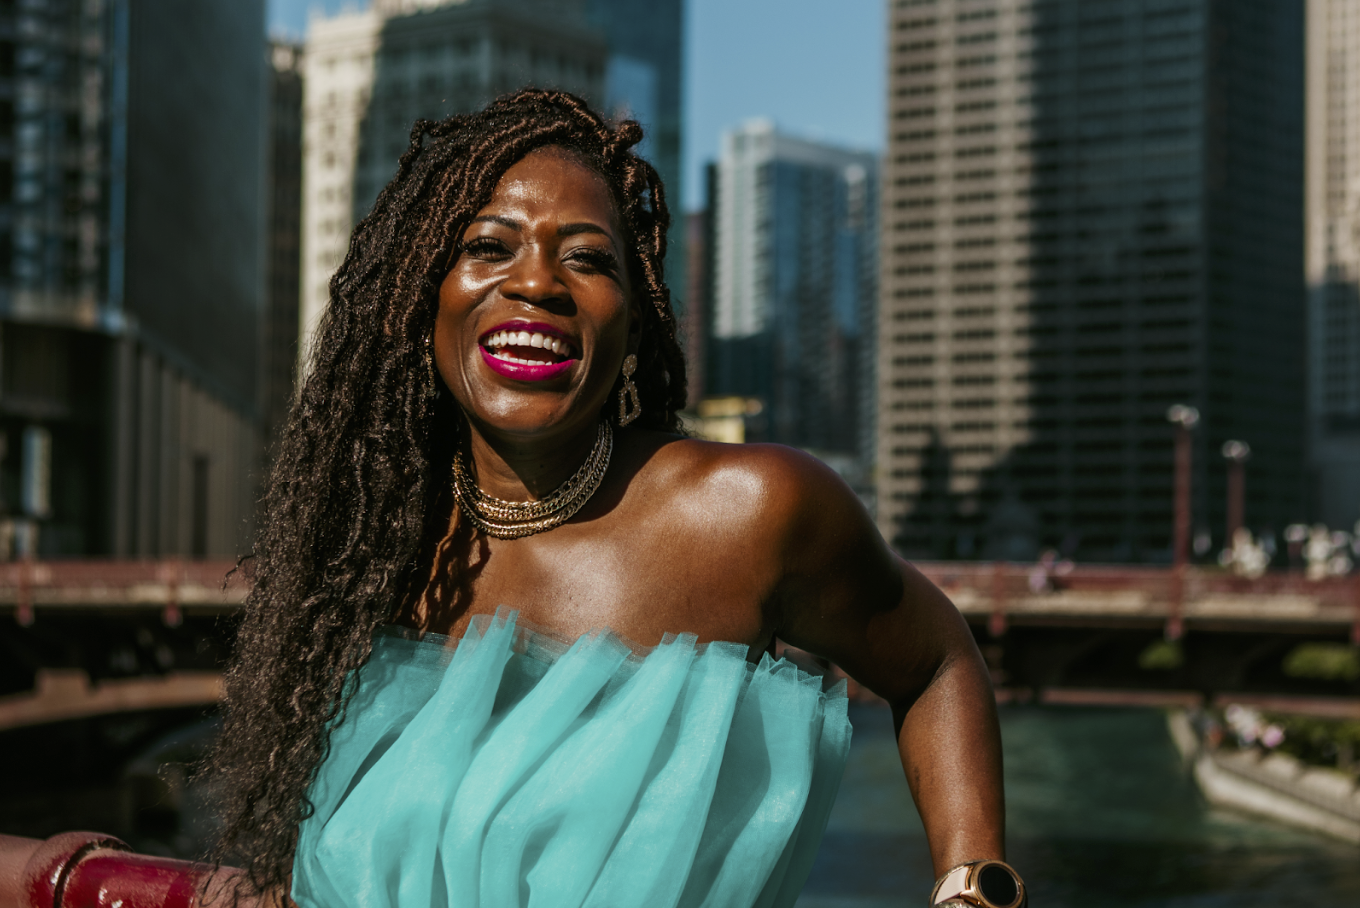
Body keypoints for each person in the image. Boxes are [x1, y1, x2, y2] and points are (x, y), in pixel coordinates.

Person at [206, 90, 1021, 908]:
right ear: (424, 302)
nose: (536, 282)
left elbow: (935, 664)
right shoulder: (371, 543)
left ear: (635, 323)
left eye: (589, 259)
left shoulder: (749, 514)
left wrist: (972, 888)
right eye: (488, 246)